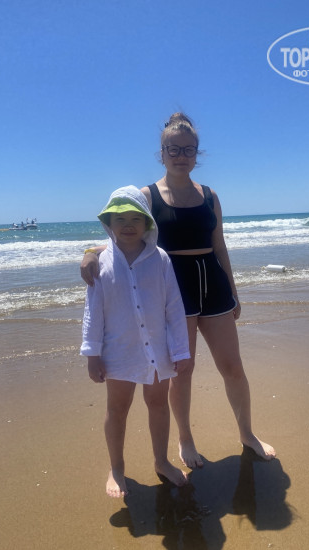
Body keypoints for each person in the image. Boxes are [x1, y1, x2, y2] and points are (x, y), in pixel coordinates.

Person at [81, 113, 276, 467]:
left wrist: (233, 291)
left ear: (197, 153)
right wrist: (89, 252)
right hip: (171, 288)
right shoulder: (147, 195)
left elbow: (219, 245)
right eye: (174, 149)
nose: (181, 156)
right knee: (182, 369)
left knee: (232, 366)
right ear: (162, 153)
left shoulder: (210, 196)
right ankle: (185, 440)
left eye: (189, 149)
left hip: (213, 284)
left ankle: (247, 433)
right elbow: (122, 234)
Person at [80, 185, 190, 498]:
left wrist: (180, 350)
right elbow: (93, 312)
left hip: (157, 349)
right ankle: (116, 468)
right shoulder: (100, 263)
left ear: (147, 223)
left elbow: (174, 307)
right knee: (117, 409)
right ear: (109, 223)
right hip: (118, 352)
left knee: (158, 404)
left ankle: (161, 461)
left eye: (135, 218)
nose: (128, 225)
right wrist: (92, 354)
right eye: (120, 219)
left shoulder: (160, 259)